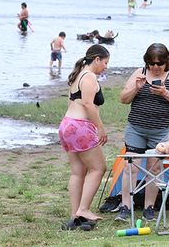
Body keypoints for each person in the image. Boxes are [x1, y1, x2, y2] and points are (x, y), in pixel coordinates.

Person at [117, 43, 169, 222]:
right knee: (130, 166)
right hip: (136, 128)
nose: (156, 67)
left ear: (166, 62)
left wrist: (165, 93)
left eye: (159, 63)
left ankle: (149, 207)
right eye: (152, 63)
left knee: (155, 168)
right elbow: (123, 99)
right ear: (147, 62)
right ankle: (125, 206)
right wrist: (136, 88)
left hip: (161, 132)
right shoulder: (139, 73)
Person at [58, 44, 109, 230]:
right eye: (105, 62)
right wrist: (100, 128)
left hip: (67, 124)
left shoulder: (77, 74)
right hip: (80, 126)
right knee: (99, 168)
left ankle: (75, 216)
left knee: (78, 171)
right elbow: (87, 104)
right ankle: (84, 210)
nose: (106, 66)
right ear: (96, 59)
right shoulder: (89, 77)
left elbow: (73, 102)